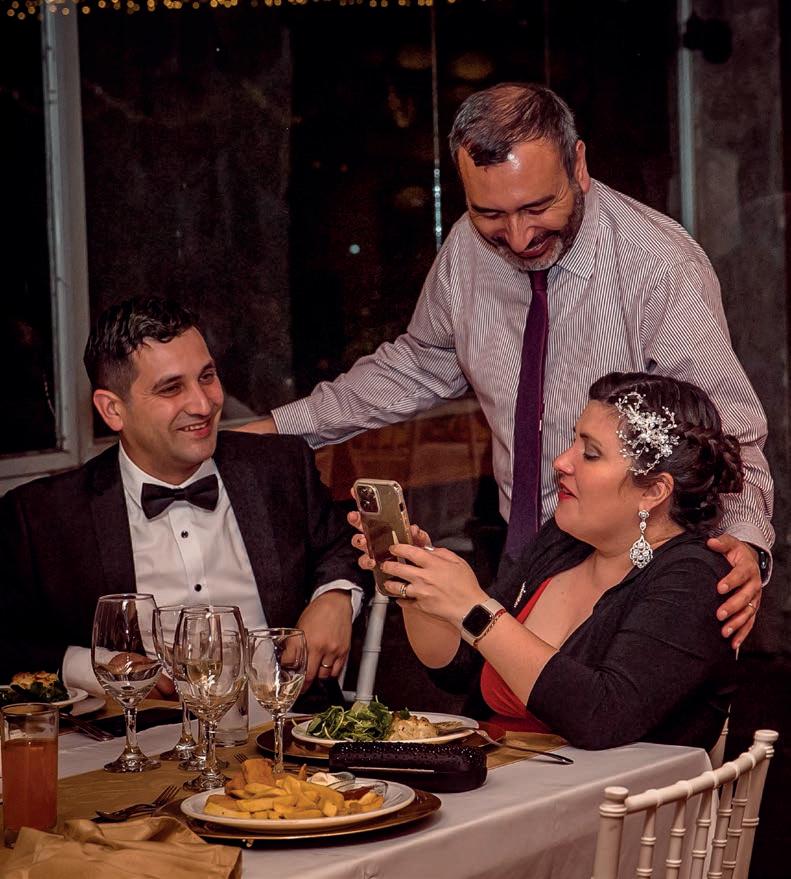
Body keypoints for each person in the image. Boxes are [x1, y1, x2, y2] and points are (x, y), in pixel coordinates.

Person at [239, 82, 772, 649]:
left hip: (632, 577)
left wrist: (745, 545)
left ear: (578, 165)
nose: (518, 238)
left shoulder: (659, 264)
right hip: (523, 567)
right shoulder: (467, 250)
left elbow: (725, 431)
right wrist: (275, 429)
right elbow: (417, 364)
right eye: (490, 213)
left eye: (537, 207)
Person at [353, 373, 741, 750]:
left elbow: (603, 717)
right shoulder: (562, 542)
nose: (562, 461)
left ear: (654, 491)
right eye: (573, 442)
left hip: (614, 792)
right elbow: (458, 671)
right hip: (500, 776)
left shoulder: (693, 577)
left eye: (590, 454)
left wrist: (473, 607)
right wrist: (419, 590)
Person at [0, 296, 366, 695]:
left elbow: (343, 545)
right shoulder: (43, 515)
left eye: (206, 376)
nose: (203, 404)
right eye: (171, 388)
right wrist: (96, 666)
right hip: (137, 729)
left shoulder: (279, 466)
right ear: (113, 410)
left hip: (287, 719)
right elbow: (8, 641)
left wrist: (336, 597)